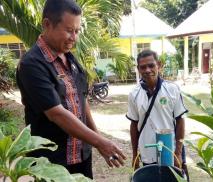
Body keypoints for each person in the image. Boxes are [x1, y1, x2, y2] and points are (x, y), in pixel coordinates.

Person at [16, 0, 126, 179]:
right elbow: (56, 113)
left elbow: (82, 101)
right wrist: (101, 142)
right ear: (47, 24)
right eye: (68, 30)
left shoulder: (70, 59)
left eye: (77, 31)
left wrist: (96, 141)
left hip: (81, 156)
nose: (74, 38)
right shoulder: (32, 64)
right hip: (51, 162)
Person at [126, 50, 188, 170]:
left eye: (151, 65)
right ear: (138, 69)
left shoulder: (172, 89)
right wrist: (134, 154)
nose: (147, 70)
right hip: (147, 152)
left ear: (158, 65)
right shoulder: (134, 94)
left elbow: (180, 120)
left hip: (170, 150)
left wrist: (178, 153)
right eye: (143, 67)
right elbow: (134, 125)